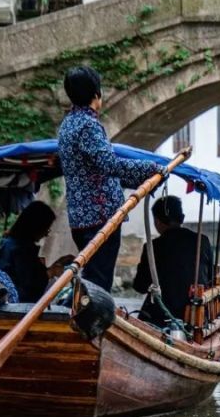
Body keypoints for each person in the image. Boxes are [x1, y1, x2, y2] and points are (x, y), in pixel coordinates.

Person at [57, 66, 165, 291]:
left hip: (80, 219)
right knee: (99, 282)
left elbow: (95, 172)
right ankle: (94, 314)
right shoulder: (88, 125)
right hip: (99, 218)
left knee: (93, 278)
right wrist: (151, 168)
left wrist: (142, 178)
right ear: (97, 94)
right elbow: (110, 165)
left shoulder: (67, 124)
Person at [133, 195, 214, 324]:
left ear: (157, 221)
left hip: (161, 316)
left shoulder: (153, 247)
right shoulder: (202, 241)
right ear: (182, 218)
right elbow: (211, 279)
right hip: (197, 314)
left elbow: (140, 286)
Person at [0, 201, 74, 303]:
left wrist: (53, 267)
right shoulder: (20, 249)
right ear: (36, 227)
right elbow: (28, 288)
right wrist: (51, 272)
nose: (46, 234)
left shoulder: (13, 244)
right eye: (46, 229)